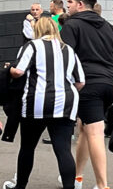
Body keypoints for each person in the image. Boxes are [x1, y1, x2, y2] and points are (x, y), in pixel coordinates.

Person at [9, 17, 85, 189]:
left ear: (38, 29)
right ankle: (69, 186)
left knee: (27, 147)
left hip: (36, 103)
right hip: (65, 103)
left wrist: (10, 70)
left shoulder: (32, 46)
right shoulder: (68, 49)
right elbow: (80, 82)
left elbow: (19, 71)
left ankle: (20, 185)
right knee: (63, 149)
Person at [60, 0, 113, 189]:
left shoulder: (71, 25)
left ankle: (102, 185)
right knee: (84, 129)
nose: (67, 5)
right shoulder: (110, 28)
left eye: (69, 2)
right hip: (111, 83)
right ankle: (77, 177)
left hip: (88, 83)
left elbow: (65, 57)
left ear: (80, 4)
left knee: (94, 131)